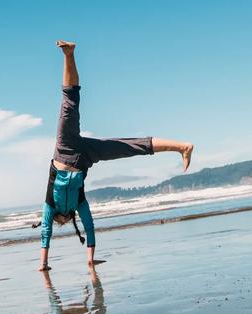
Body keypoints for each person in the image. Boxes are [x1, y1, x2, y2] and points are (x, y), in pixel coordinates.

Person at [36, 40, 194, 271]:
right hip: (81, 158)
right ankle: (182, 146)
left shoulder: (52, 206)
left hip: (67, 152)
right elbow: (87, 227)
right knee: (127, 146)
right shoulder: (76, 205)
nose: (59, 223)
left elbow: (46, 232)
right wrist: (89, 260)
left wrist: (44, 264)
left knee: (74, 105)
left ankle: (69, 54)